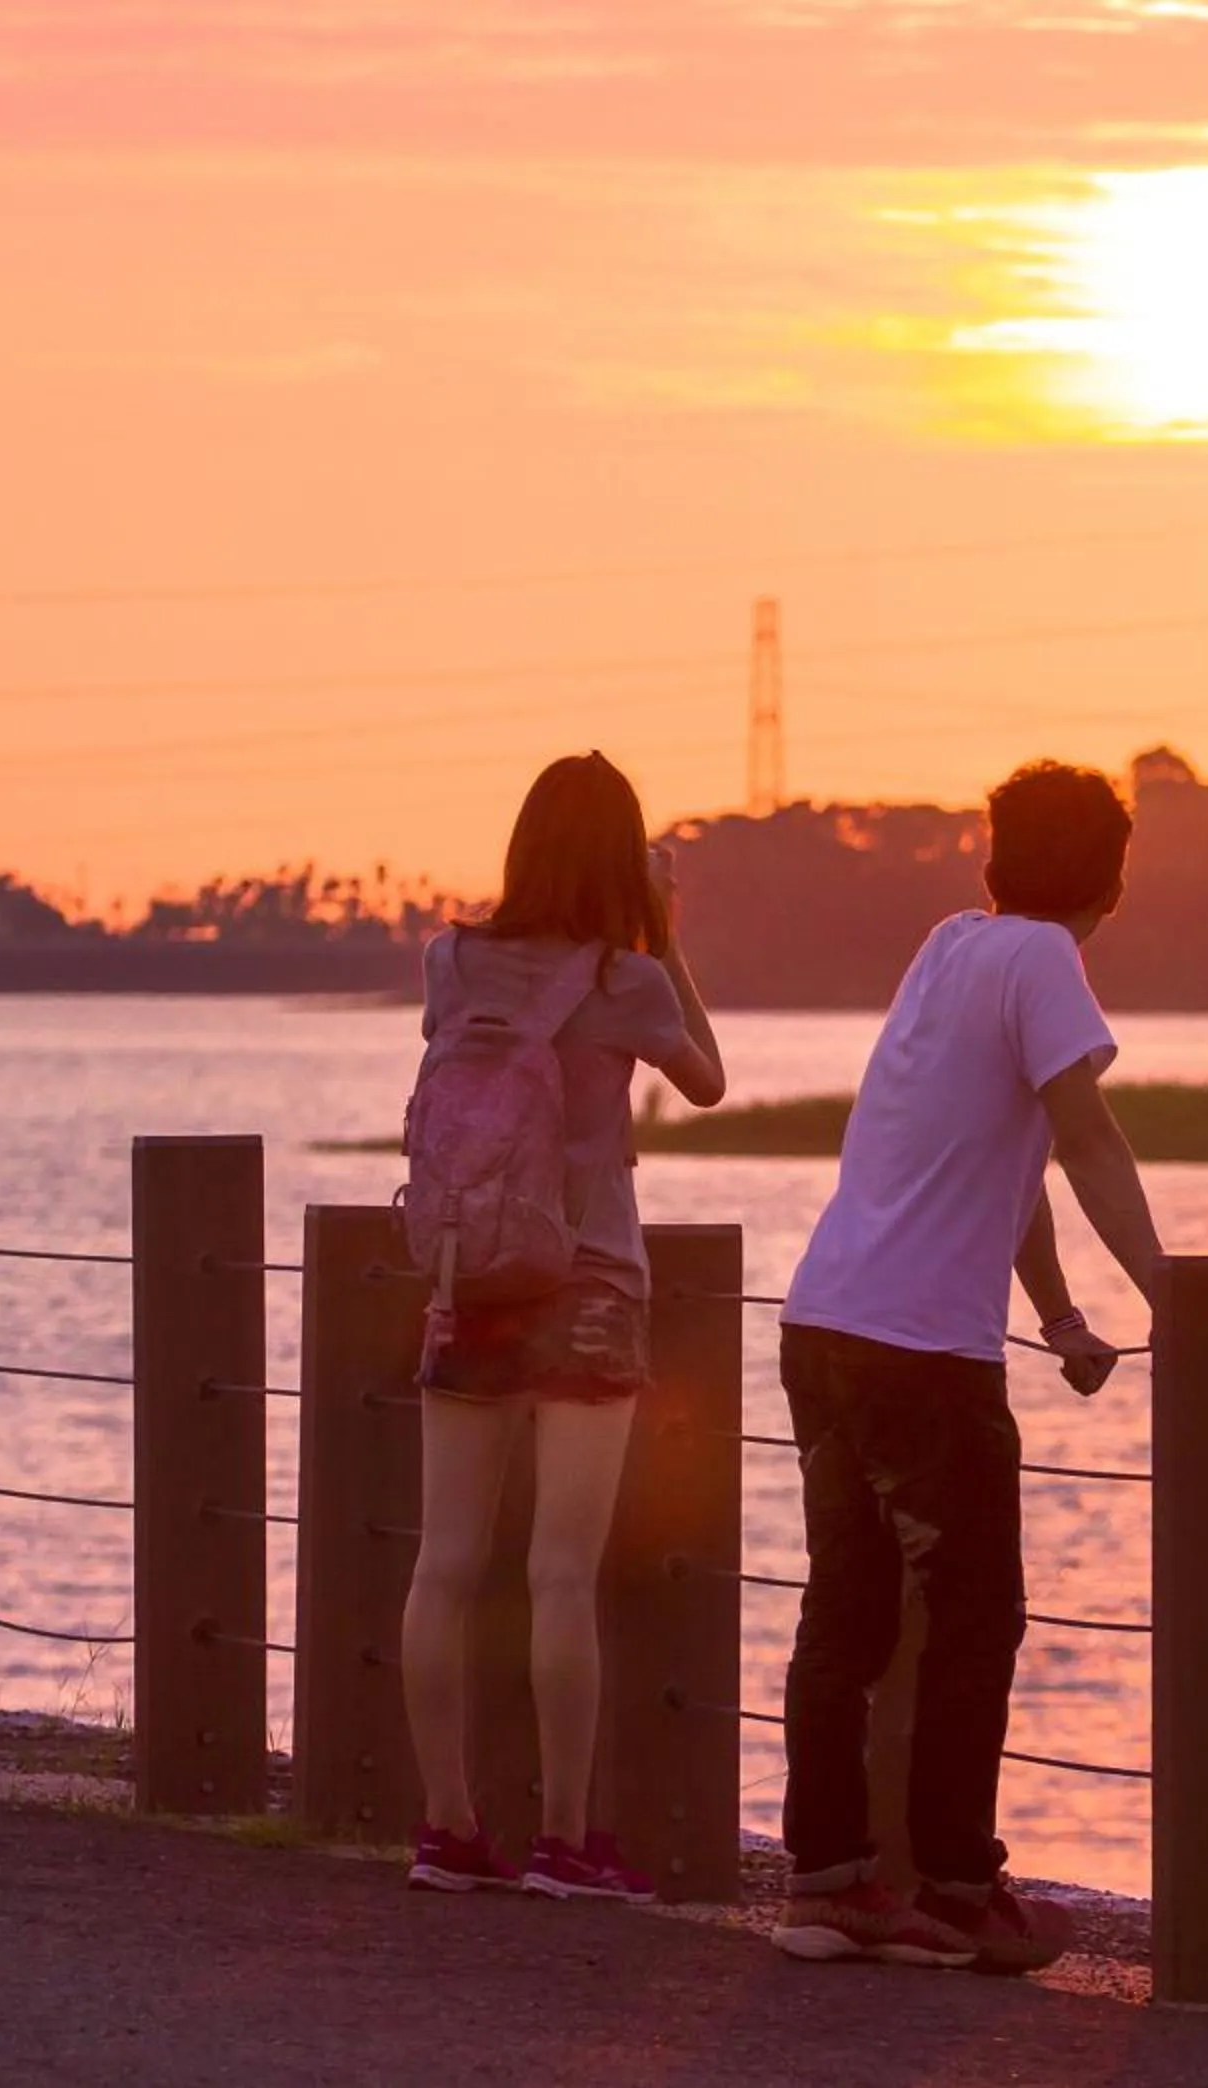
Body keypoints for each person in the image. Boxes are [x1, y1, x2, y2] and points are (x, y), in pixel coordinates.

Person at [767, 760, 1166, 1972]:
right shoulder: (1045, 957)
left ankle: (829, 1883)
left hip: (825, 1324)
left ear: (993, 859)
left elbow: (1008, 1159)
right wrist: (1178, 1299)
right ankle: (953, 1889)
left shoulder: (950, 947)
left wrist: (1056, 1318)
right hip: (921, 1355)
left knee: (848, 1612)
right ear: (1113, 879)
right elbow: (1084, 1138)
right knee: (975, 1618)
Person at [399, 752, 726, 1900]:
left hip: (468, 1276)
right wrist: (663, 925)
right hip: (587, 1285)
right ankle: (566, 1841)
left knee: (444, 1564)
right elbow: (709, 1082)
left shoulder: (452, 960)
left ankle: (447, 1827)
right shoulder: (630, 978)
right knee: (558, 1576)